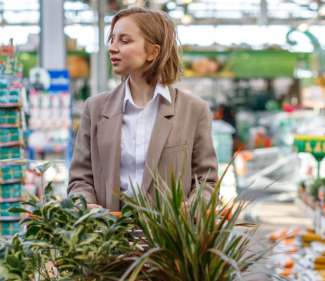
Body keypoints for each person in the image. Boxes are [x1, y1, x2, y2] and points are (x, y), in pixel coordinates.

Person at [68, 7, 218, 211]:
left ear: (152, 52)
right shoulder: (95, 108)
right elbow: (80, 179)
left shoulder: (194, 111)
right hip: (107, 237)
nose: (113, 47)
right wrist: (86, 205)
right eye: (112, 40)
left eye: (124, 40)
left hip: (167, 239)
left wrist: (190, 207)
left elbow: (206, 182)